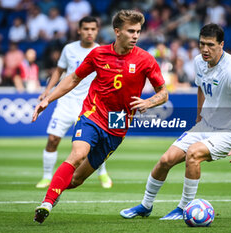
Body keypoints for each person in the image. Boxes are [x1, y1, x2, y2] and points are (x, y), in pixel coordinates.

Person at [32, 10, 168, 224]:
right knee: (77, 155)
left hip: (117, 126)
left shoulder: (145, 59)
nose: (135, 36)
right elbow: (74, 78)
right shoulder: (98, 54)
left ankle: (55, 190)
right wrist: (48, 99)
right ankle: (47, 202)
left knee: (76, 180)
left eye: (138, 32)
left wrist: (149, 102)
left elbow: (163, 93)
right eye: (130, 31)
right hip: (93, 115)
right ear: (117, 32)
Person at [120, 23, 231, 220]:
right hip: (205, 125)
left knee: (193, 154)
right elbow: (200, 87)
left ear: (221, 45)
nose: (205, 49)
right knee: (165, 160)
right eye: (202, 44)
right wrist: (199, 118)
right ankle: (145, 206)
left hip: (227, 131)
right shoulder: (199, 61)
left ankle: (183, 209)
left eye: (210, 45)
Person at [35, 16, 112, 189]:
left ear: (97, 30)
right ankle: (47, 176)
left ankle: (102, 172)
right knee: (53, 139)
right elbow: (59, 71)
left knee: (94, 144)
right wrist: (48, 90)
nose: (89, 32)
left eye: (93, 29)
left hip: (90, 104)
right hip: (66, 101)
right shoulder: (69, 49)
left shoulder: (102, 51)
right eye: (86, 28)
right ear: (79, 30)